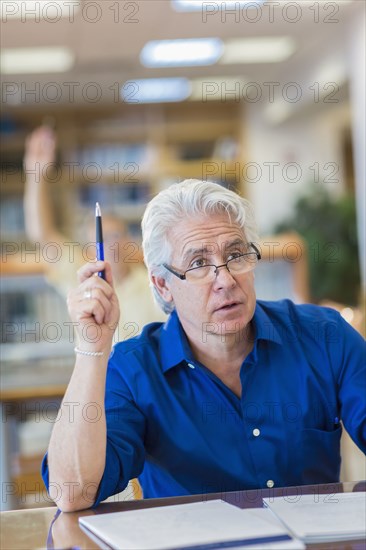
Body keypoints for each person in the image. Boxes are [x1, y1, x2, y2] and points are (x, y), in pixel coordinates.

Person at [41, 179, 366, 512]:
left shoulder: (324, 336)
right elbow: (73, 492)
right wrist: (92, 349)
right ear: (162, 284)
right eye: (198, 264)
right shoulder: (133, 370)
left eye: (236, 255)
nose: (225, 280)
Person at [23, 125, 165, 341]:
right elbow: (42, 234)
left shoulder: (152, 283)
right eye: (103, 239)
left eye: (117, 235)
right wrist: (36, 174)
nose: (112, 244)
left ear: (130, 239)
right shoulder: (80, 279)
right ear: (90, 249)